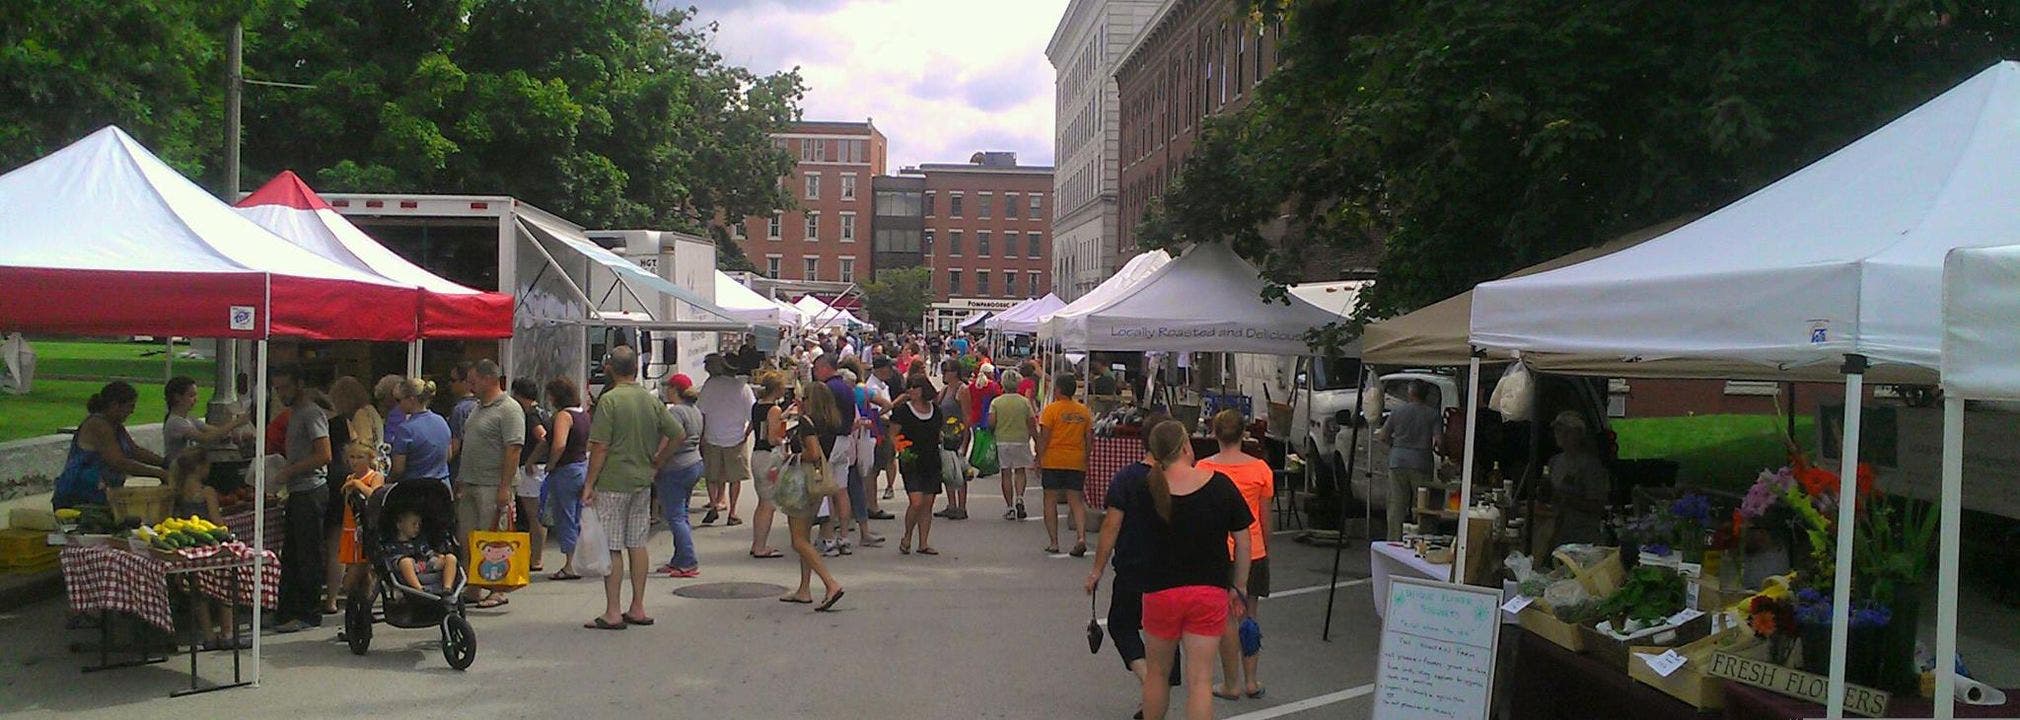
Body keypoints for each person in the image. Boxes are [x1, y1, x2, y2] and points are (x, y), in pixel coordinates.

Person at [1106, 420, 1254, 720]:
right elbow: (1244, 540)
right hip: (1208, 590)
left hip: (1160, 590)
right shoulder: (1219, 486)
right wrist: (1239, 585)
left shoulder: (1144, 489)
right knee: (1200, 680)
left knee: (1158, 674)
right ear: (1187, 446)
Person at [581, 346, 688, 630]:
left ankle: (613, 611)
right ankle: (638, 606)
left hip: (613, 481)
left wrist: (589, 484)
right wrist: (658, 461)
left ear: (610, 369)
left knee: (613, 546)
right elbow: (678, 433)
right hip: (642, 480)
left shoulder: (610, 400)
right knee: (637, 543)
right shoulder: (649, 399)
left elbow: (601, 446)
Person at [1085, 409, 1182, 717]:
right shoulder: (1181, 478)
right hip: (1172, 571)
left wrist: (1097, 569)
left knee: (1121, 624)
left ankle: (1149, 682)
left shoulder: (1127, 478)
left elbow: (1111, 527)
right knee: (1165, 635)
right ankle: (1158, 689)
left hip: (1133, 568)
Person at [1194, 410, 1273, 700]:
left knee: (1226, 618)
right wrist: (1266, 547)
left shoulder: (1202, 467)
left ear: (1214, 433)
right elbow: (1265, 517)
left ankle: (1231, 683)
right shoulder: (1261, 469)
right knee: (1249, 615)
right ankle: (1252, 680)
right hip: (1252, 548)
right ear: (1244, 434)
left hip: (1217, 550)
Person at [452, 359, 524, 609]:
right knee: (470, 537)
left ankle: (497, 589)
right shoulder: (477, 407)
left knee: (494, 539)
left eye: (473, 381)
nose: (470, 386)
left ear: (488, 379)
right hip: (471, 482)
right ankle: (474, 585)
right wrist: (461, 478)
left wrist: (505, 487)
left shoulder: (508, 409)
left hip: (493, 484)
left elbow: (513, 449)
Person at [271, 366, 332, 633]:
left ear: (299, 385)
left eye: (285, 387)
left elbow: (324, 454)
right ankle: (287, 610)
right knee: (293, 554)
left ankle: (308, 612)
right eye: (277, 389)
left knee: (308, 553)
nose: (281, 393)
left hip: (310, 489)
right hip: (297, 490)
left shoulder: (311, 413)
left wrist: (289, 470)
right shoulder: (294, 413)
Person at [779, 378, 846, 611]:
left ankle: (830, 583)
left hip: (803, 482)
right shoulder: (830, 421)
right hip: (818, 483)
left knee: (798, 540)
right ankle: (804, 588)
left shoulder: (807, 423)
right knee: (805, 537)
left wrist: (792, 457)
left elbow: (813, 453)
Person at [167, 448, 242, 650]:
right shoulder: (207, 492)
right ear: (201, 468)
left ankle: (208, 636)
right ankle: (227, 633)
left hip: (189, 548)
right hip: (210, 547)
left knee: (198, 592)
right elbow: (216, 521)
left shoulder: (177, 493)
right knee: (224, 587)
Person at [53, 382, 168, 509]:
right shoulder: (98, 425)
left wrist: (165, 463)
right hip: (80, 495)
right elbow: (118, 461)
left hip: (102, 494)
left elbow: (134, 451)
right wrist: (159, 474)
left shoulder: (116, 426)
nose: (132, 411)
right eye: (130, 406)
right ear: (114, 405)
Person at [322, 376, 383, 616]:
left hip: (356, 489)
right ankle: (357, 590)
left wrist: (356, 475)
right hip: (367, 483)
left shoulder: (353, 418)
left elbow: (360, 445)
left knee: (340, 541)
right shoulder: (372, 412)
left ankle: (336, 595)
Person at [652, 373, 706, 578]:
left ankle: (688, 561)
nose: (666, 390)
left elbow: (668, 440)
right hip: (694, 463)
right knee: (682, 514)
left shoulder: (675, 413)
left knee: (675, 517)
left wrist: (658, 460)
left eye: (669, 387)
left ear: (675, 390)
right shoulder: (696, 411)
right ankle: (679, 558)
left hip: (675, 467)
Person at [1036, 374, 1094, 556]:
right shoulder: (1084, 411)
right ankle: (1081, 537)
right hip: (1076, 460)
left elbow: (1044, 437)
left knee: (1050, 499)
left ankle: (1054, 542)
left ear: (1058, 390)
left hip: (1053, 459)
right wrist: (1086, 456)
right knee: (1076, 501)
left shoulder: (1051, 410)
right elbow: (1089, 438)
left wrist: (1039, 457)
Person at [1375, 380, 1441, 540]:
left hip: (1397, 461)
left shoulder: (1397, 411)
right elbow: (1438, 441)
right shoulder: (1433, 414)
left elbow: (1383, 436)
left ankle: (1394, 541)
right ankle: (1422, 539)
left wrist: (1396, 445)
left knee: (1396, 506)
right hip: (1421, 462)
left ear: (1410, 393)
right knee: (1422, 507)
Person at [696, 354, 755, 527]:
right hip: (735, 437)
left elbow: (702, 412)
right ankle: (732, 512)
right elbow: (753, 415)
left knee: (711, 475)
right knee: (734, 478)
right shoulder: (743, 388)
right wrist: (746, 434)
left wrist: (702, 436)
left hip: (712, 435)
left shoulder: (710, 384)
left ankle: (714, 504)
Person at [890, 376, 946, 556]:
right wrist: (901, 449)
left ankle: (923, 543)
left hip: (931, 459)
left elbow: (938, 433)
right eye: (909, 387)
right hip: (911, 460)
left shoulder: (935, 411)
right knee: (916, 502)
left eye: (915, 387)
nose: (911, 390)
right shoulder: (902, 411)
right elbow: (893, 434)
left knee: (928, 503)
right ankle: (907, 536)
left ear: (924, 389)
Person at [542, 378, 590, 580]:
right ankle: (579, 559)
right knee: (577, 515)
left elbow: (558, 444)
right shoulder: (583, 415)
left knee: (565, 516)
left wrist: (551, 463)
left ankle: (570, 564)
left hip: (566, 470)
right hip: (581, 466)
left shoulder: (563, 416)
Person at [333, 442, 384, 619]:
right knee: (357, 572)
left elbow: (375, 496)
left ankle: (360, 605)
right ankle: (360, 610)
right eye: (352, 457)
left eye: (360, 457)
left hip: (366, 531)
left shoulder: (374, 476)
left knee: (358, 573)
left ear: (370, 459)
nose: (355, 461)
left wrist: (358, 484)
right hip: (351, 529)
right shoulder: (349, 478)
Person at [1544, 411, 1610, 546]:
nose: (1560, 435)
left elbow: (1598, 505)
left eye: (1566, 431)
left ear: (1578, 434)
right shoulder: (1554, 461)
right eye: (1557, 430)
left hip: (1582, 538)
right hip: (1555, 534)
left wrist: (1567, 500)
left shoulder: (1591, 466)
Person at [747, 371, 789, 559]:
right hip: (769, 457)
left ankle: (757, 542)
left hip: (757, 454)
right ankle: (761, 546)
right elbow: (772, 438)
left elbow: (758, 428)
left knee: (762, 501)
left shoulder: (757, 406)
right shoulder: (774, 410)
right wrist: (784, 441)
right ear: (778, 389)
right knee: (768, 503)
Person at [509, 378, 549, 572]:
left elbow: (542, 438)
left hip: (532, 470)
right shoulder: (543, 411)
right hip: (541, 469)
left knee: (533, 516)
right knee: (538, 515)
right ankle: (536, 555)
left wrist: (531, 460)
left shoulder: (531, 415)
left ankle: (536, 558)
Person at [161, 376, 248, 460]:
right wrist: (236, 422)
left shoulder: (189, 419)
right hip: (179, 469)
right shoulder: (176, 422)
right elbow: (204, 438)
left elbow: (214, 431)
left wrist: (231, 434)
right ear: (177, 397)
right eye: (191, 396)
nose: (196, 399)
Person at [991, 368, 1038, 521]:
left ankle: (1009, 507)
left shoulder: (997, 402)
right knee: (1020, 471)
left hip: (1002, 440)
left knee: (1005, 473)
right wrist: (1036, 440)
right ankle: (1020, 498)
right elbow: (1032, 422)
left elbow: (991, 423)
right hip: (1021, 439)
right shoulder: (1024, 402)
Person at [388, 378, 452, 485]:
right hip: (442, 487)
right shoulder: (441, 421)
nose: (398, 405)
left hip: (416, 490)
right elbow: (448, 456)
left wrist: (388, 480)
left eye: (399, 400)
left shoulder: (405, 429)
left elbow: (398, 469)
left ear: (412, 399)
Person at [386, 508, 459, 593]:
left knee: (451, 558)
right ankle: (419, 588)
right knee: (405, 562)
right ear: (400, 525)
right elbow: (392, 561)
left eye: (419, 524)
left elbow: (429, 553)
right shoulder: (393, 545)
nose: (417, 527)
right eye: (414, 524)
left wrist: (439, 557)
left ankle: (447, 587)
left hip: (426, 565)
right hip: (409, 571)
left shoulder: (420, 542)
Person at [444, 360, 478, 472]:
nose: (450, 384)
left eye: (453, 380)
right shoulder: (481, 405)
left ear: (465, 383)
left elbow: (454, 447)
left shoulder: (460, 410)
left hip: (460, 469)